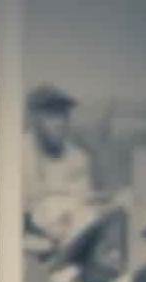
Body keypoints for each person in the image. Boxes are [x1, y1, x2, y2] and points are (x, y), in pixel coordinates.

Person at [23, 85, 92, 214]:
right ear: (34, 119)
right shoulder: (17, 154)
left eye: (64, 115)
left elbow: (81, 204)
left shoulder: (78, 158)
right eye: (51, 115)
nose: (60, 123)